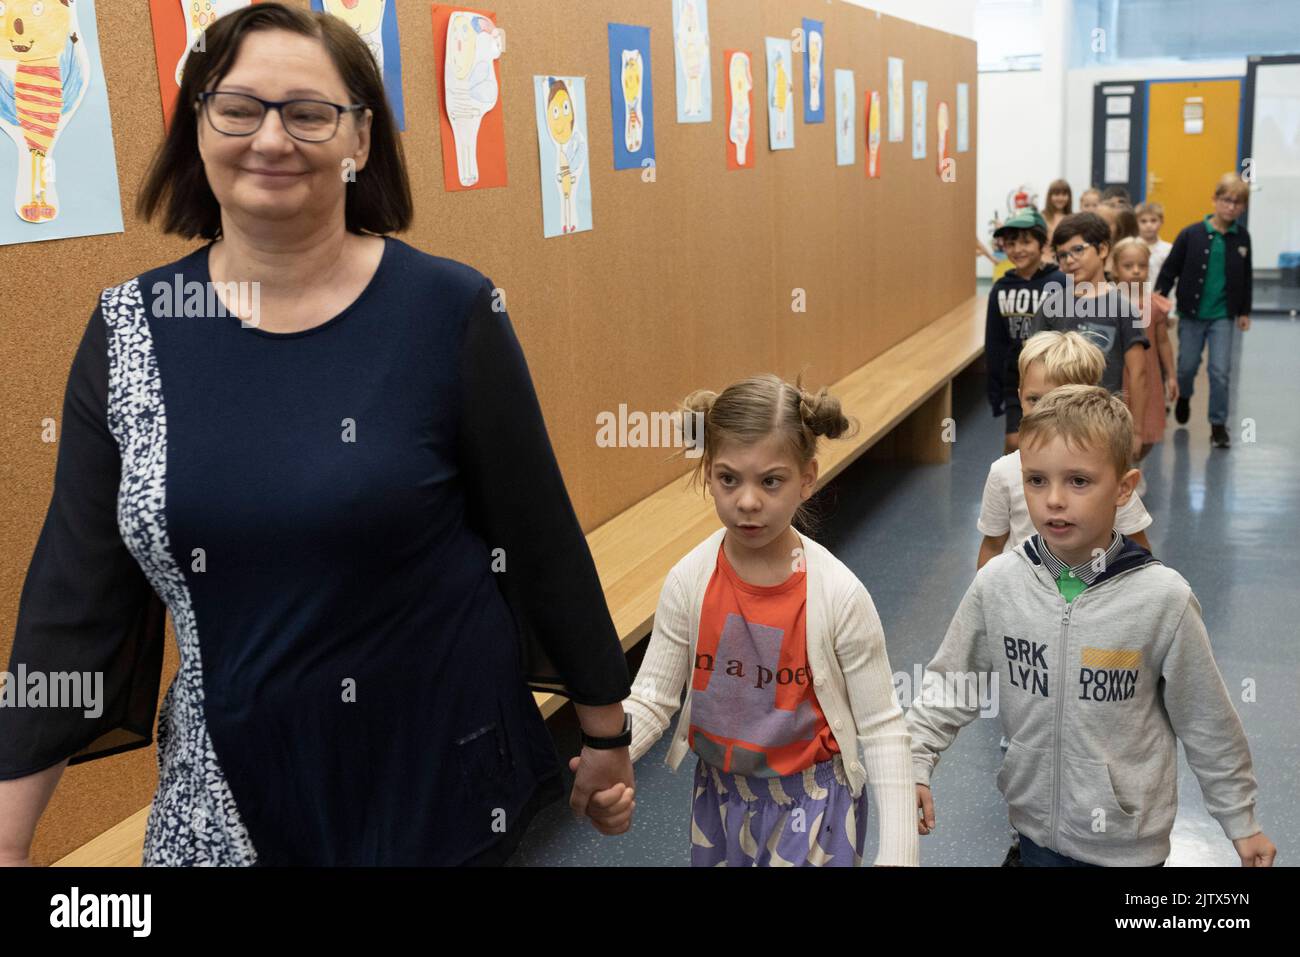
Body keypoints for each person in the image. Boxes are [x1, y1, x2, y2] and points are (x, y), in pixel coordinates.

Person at [0, 3, 634, 867]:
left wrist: (605, 726)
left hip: (433, 776)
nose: (270, 138)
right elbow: (73, 600)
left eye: (309, 112)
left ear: (360, 142)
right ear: (198, 124)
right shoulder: (130, 331)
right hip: (229, 786)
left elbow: (537, 534)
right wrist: (9, 825)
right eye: (239, 107)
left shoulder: (447, 310)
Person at [912, 385, 1276, 868]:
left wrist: (1241, 820)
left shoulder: (1162, 599)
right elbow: (949, 680)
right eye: (1036, 480)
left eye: (1079, 482)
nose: (1054, 500)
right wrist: (916, 760)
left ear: (1124, 488)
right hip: (1034, 830)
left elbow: (1206, 719)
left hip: (1128, 846)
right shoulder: (999, 583)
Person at [621, 375, 918, 867]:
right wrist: (605, 751)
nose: (748, 501)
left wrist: (900, 855)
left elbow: (882, 726)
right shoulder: (689, 580)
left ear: (807, 478)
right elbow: (653, 699)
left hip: (814, 805)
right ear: (708, 474)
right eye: (728, 478)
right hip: (720, 801)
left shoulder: (838, 595)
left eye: (771, 480)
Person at [978, 330, 1152, 570]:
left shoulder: (1105, 478)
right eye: (1034, 400)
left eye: (1059, 401)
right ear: (1020, 396)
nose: (1044, 412)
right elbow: (992, 545)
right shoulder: (1003, 472)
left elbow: (1140, 554)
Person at [1031, 213, 1148, 461]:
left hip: (1104, 426)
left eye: (1077, 250)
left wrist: (1135, 431)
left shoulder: (1123, 308)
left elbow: (1138, 374)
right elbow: (1032, 366)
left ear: (1103, 248)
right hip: (1056, 423)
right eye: (1062, 255)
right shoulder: (1051, 306)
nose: (1070, 260)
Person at [1154, 173, 1253, 448]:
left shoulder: (1242, 237)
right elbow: (1170, 269)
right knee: (1186, 367)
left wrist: (1244, 311)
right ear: (1215, 200)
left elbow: (1246, 277)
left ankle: (1218, 425)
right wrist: (1158, 299)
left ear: (1243, 207)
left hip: (1223, 315)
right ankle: (1184, 395)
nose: (1231, 207)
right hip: (1192, 313)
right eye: (1226, 200)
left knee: (1220, 370)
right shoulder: (1191, 234)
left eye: (1237, 203)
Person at [984, 209, 1063, 454]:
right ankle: (1013, 491)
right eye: (1011, 243)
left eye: (1026, 242)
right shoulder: (1001, 288)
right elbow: (994, 340)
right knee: (1015, 443)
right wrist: (994, 389)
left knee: (1051, 442)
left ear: (1042, 244)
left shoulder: (1060, 282)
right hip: (1016, 378)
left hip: (1054, 377)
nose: (1018, 249)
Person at [1113, 239, 1177, 458]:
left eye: (1142, 265)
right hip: (1118, 374)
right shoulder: (1108, 301)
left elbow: (1163, 342)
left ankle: (1135, 465)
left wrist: (1171, 375)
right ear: (1115, 268)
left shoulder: (1155, 304)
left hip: (1147, 375)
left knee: (1148, 426)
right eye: (1128, 266)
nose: (1136, 271)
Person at [1135, 201, 1173, 289]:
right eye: (1143, 221)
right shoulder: (1129, 247)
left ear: (1161, 222)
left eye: (1153, 220)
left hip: (1160, 296)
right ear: (1136, 223)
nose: (1149, 225)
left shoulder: (1168, 249)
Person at [1041, 179, 1073, 265]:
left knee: (1068, 278)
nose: (1060, 198)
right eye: (1056, 194)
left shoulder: (1073, 219)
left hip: (1067, 265)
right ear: (1049, 196)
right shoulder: (1041, 217)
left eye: (1064, 194)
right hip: (1045, 264)